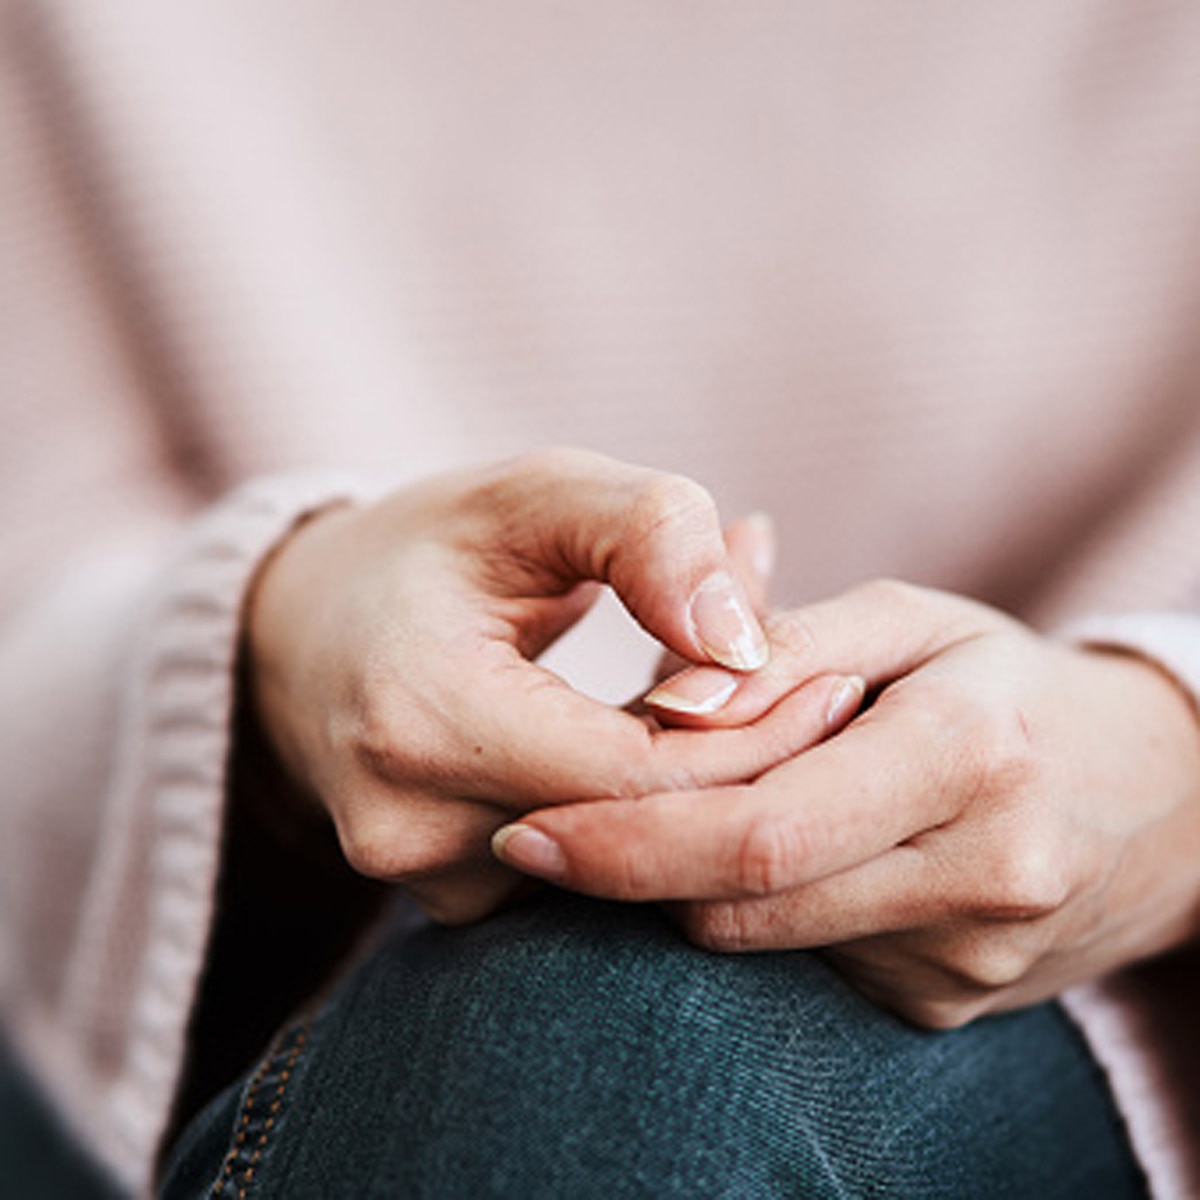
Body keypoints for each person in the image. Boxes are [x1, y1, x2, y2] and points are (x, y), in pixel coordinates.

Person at [3, 3, 1200, 1196]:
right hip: (204, 949)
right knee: (577, 1022)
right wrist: (285, 621)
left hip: (1120, 994)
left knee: (606, 1027)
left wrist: (1169, 756)